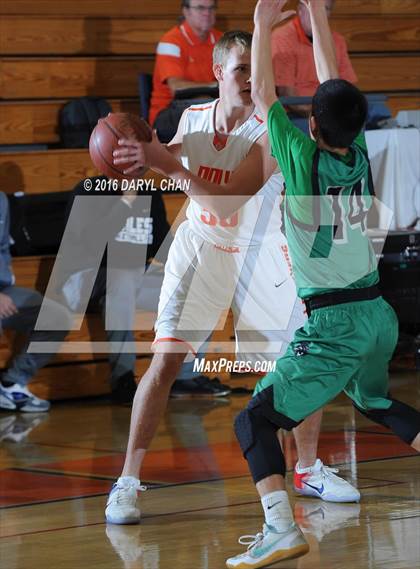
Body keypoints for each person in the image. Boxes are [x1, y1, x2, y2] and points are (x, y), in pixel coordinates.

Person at [105, 28, 360, 526]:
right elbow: (168, 157)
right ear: (218, 72)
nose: (251, 78)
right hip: (201, 248)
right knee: (163, 361)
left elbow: (225, 198)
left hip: (261, 253)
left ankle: (307, 469)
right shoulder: (192, 118)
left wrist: (164, 164)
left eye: (256, 70)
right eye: (242, 69)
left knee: (303, 361)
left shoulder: (270, 126)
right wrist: (136, 159)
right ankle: (127, 482)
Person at [223, 1, 419, 566]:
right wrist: (318, 14)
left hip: (335, 322)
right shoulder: (360, 152)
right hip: (378, 313)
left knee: (252, 419)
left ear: (312, 124)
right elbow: (335, 82)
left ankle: (281, 528)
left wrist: (262, 21)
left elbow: (263, 94)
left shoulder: (302, 157)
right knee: (378, 401)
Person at [60, 177, 229, 402]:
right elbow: (91, 243)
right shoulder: (88, 190)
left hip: (135, 276)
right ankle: (123, 378)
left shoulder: (149, 193)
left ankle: (185, 377)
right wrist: (125, 203)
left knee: (200, 291)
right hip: (86, 276)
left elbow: (163, 244)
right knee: (122, 279)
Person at [0, 192, 71, 412]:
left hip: (5, 291)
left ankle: (12, 384)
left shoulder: (1, 199)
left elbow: (3, 247)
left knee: (56, 317)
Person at [271, 0, 356, 125]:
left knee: (377, 110)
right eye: (313, 8)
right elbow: (289, 98)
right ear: (300, 9)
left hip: (332, 110)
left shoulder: (337, 41)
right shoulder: (282, 38)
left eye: (325, 9)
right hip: (298, 116)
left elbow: (348, 88)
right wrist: (326, 113)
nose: (318, 14)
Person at [149, 0, 222, 143]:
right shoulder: (170, 41)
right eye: (201, 8)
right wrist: (217, 86)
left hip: (211, 106)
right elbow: (177, 87)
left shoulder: (221, 40)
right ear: (186, 11)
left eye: (211, 8)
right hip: (168, 112)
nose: (207, 13)